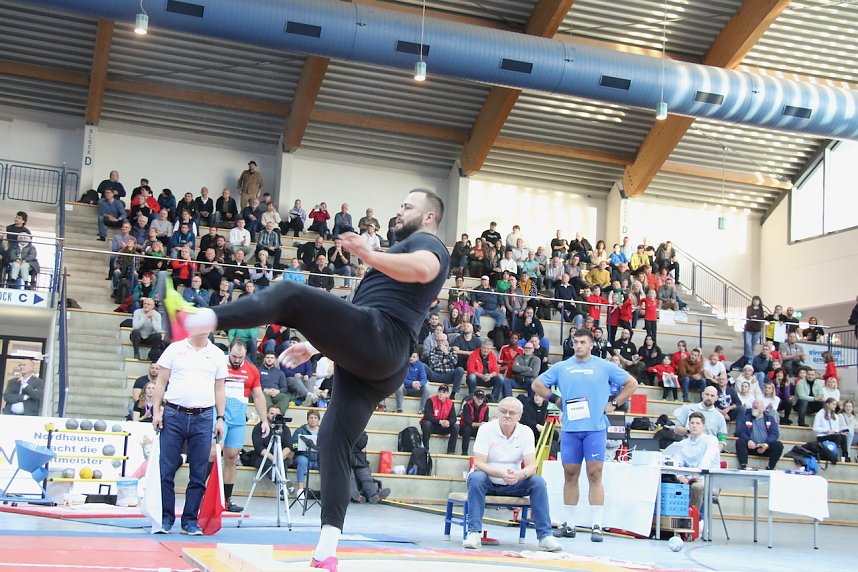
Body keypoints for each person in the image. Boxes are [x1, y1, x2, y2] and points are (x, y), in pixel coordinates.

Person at [171, 188, 448, 570]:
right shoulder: (394, 258)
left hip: (385, 339)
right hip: (374, 360)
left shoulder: (427, 243)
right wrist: (315, 347)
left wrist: (368, 254)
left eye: (407, 206)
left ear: (429, 216)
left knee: (290, 295)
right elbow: (357, 318)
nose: (399, 211)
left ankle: (197, 320)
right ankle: (327, 551)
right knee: (332, 442)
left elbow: (425, 269)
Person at [531, 328, 638, 542]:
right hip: (571, 429)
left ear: (591, 345)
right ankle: (569, 525)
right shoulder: (563, 367)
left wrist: (614, 403)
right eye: (575, 342)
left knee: (595, 474)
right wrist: (555, 399)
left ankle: (596, 525)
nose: (578, 345)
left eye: (582, 342)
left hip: (595, 428)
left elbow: (632, 383)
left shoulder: (604, 366)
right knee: (570, 474)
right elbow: (537, 384)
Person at [151, 331, 228, 535]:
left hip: (203, 417)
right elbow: (161, 381)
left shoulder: (217, 354)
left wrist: (220, 418)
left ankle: (190, 520)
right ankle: (165, 518)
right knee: (166, 468)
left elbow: (220, 388)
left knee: (199, 471)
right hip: (173, 413)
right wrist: (156, 411)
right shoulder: (174, 349)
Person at [462, 396, 561, 552]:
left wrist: (519, 475)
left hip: (513, 482)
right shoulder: (486, 429)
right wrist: (501, 474)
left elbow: (531, 466)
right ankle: (473, 533)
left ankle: (545, 536)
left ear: (519, 416)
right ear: (499, 412)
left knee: (538, 482)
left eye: (512, 413)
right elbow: (479, 463)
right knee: (476, 477)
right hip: (487, 480)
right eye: (503, 411)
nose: (507, 415)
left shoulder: (526, 432)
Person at [217, 339, 268, 512]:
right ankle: (203, 495)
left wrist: (264, 420)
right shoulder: (219, 364)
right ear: (228, 350)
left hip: (238, 419)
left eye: (241, 357)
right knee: (213, 455)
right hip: (219, 417)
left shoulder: (252, 370)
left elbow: (259, 396)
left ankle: (226, 499)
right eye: (234, 356)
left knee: (231, 457)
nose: (237, 360)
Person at [675, 412, 721, 513]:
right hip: (688, 479)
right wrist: (679, 476)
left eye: (698, 423)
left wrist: (695, 477)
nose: (694, 425)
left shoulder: (711, 440)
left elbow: (707, 460)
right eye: (692, 423)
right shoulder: (682, 444)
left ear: (703, 426)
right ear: (688, 425)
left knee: (696, 487)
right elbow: (676, 462)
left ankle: (694, 518)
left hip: (708, 480)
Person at [252, 405, 294, 495]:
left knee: (285, 461)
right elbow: (258, 447)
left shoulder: (285, 428)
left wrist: (279, 458)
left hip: (280, 456)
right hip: (263, 456)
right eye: (271, 413)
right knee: (267, 463)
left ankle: (283, 487)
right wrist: (273, 458)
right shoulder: (258, 428)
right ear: (267, 414)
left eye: (277, 414)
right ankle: (283, 484)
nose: (274, 416)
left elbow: (288, 446)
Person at [672, 386, 727, 451]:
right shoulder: (688, 409)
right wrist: (689, 431)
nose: (709, 397)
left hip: (707, 451)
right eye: (707, 394)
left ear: (716, 398)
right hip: (687, 448)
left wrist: (714, 455)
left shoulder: (720, 417)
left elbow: (722, 440)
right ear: (702, 394)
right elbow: (676, 429)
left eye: (712, 396)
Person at [735, 399, 783, 470]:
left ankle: (770, 467)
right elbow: (740, 431)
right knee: (739, 442)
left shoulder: (770, 419)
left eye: (757, 403)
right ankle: (744, 465)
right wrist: (748, 440)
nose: (755, 405)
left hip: (765, 448)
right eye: (753, 404)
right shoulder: (746, 418)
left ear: (763, 407)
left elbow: (775, 433)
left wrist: (766, 444)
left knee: (778, 445)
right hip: (750, 447)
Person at [350, 431, 390, 504]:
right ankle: (355, 496)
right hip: (345, 462)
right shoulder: (340, 431)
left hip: (360, 462)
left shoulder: (362, 434)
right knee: (349, 476)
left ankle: (374, 496)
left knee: (366, 477)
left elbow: (361, 443)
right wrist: (357, 449)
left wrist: (354, 447)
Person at [420, 384, 459, 454]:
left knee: (456, 426)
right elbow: (427, 416)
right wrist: (439, 421)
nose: (441, 394)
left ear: (447, 394)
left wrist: (448, 422)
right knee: (426, 424)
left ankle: (451, 451)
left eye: (443, 392)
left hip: (443, 427)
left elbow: (454, 418)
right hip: (432, 426)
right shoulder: (430, 401)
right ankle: (425, 449)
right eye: (440, 392)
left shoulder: (450, 403)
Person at [292, 410, 321, 495]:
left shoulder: (323, 431)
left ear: (318, 420)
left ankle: (325, 491)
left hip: (317, 459)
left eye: (315, 418)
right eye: (311, 417)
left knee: (326, 463)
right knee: (302, 461)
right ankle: (300, 490)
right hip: (303, 457)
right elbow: (293, 445)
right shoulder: (300, 431)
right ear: (307, 419)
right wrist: (299, 447)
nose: (313, 420)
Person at [813, 397, 850, 462]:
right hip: (822, 436)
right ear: (827, 404)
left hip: (832, 435)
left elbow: (836, 428)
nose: (835, 406)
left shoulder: (835, 416)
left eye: (835, 404)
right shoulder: (820, 414)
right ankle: (833, 455)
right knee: (837, 437)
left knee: (843, 437)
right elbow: (815, 428)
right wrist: (827, 430)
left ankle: (845, 456)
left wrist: (839, 432)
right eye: (833, 404)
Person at [460, 389, 489, 456]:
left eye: (481, 398)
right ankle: (464, 452)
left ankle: (481, 454)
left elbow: (486, 421)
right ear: (474, 397)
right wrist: (480, 424)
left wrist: (481, 425)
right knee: (467, 429)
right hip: (464, 428)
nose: (479, 400)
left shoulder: (486, 407)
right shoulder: (467, 405)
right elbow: (467, 422)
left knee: (483, 430)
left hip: (477, 429)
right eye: (478, 398)